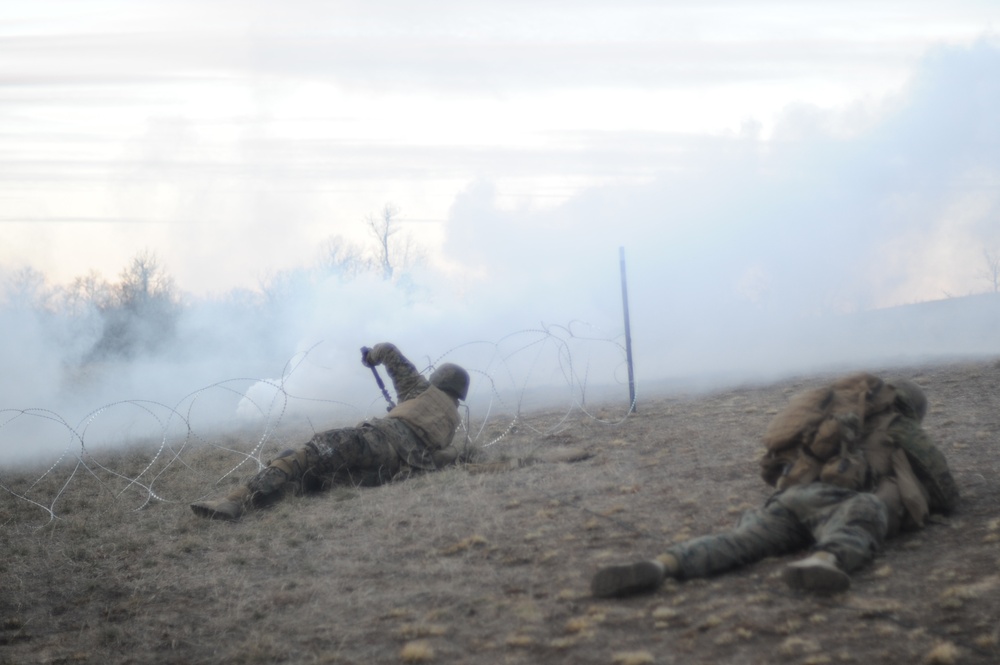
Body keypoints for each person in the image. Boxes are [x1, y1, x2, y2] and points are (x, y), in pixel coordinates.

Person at [591, 372, 959, 597]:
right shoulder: (900, 426)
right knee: (862, 518)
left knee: (740, 541)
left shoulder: (834, 417)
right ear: (911, 407)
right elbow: (943, 488)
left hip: (794, 498)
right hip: (846, 502)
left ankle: (663, 565)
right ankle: (824, 560)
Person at [191, 342, 470, 520]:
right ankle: (268, 497)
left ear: (438, 380)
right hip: (391, 471)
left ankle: (234, 501)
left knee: (309, 454)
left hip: (375, 441)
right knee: (319, 479)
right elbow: (440, 453)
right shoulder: (452, 421)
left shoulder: (420, 389)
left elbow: (387, 350)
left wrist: (370, 358)